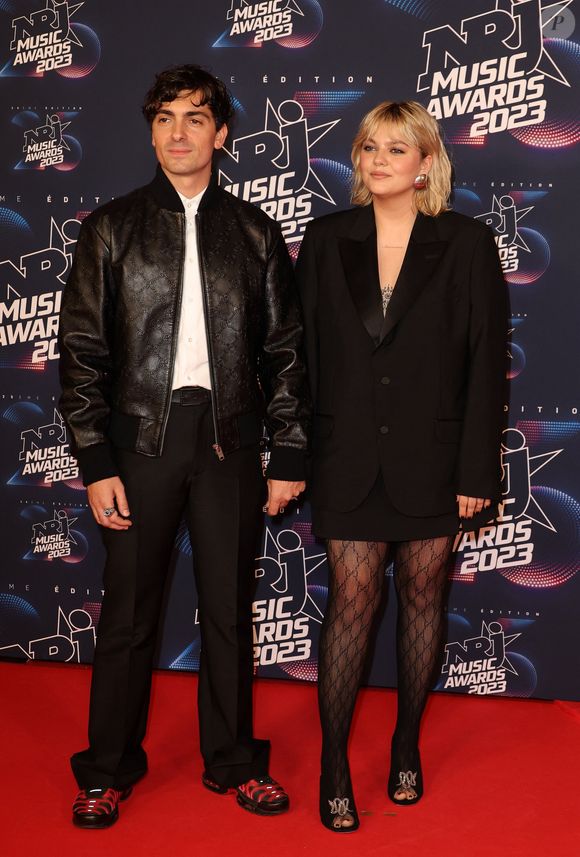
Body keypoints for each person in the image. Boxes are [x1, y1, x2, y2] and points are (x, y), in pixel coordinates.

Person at [58, 64, 309, 829]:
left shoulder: (255, 232)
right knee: (128, 615)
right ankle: (106, 770)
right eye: (165, 118)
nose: (178, 133)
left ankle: (234, 760)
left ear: (222, 133)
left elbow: (287, 354)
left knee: (230, 611)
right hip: (141, 444)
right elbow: (81, 355)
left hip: (229, 443)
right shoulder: (112, 227)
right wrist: (97, 460)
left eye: (195, 118)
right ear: (151, 131)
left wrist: (290, 452)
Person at [296, 101, 507, 832]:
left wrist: (478, 471)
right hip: (346, 457)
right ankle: (332, 763)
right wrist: (294, 455)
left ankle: (406, 745)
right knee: (351, 602)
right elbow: (301, 362)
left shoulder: (468, 243)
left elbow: (486, 366)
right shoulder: (325, 241)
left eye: (396, 148)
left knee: (423, 601)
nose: (378, 159)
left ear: (426, 164)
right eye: (367, 148)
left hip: (434, 461)